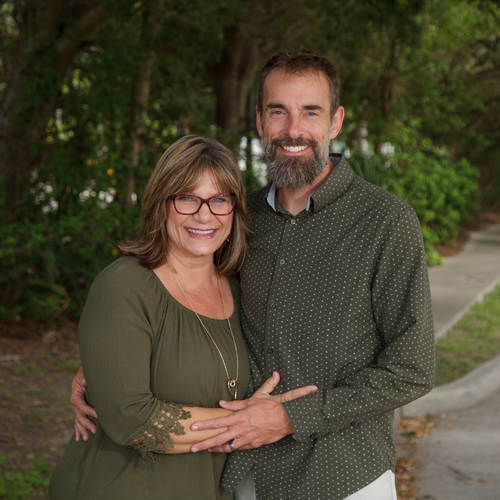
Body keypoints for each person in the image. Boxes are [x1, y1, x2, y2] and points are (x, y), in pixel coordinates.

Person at [72, 49, 435, 500]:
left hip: (343, 478)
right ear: (261, 121)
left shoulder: (386, 222)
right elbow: (185, 306)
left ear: (336, 121)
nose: (293, 129)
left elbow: (412, 369)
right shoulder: (237, 221)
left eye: (311, 112)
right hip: (245, 480)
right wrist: (104, 373)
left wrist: (290, 417)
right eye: (278, 111)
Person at [49, 134, 316, 500]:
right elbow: (132, 419)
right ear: (161, 203)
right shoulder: (124, 286)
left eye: (219, 199)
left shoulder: (242, 288)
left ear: (234, 210)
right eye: (187, 198)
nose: (204, 215)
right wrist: (251, 422)